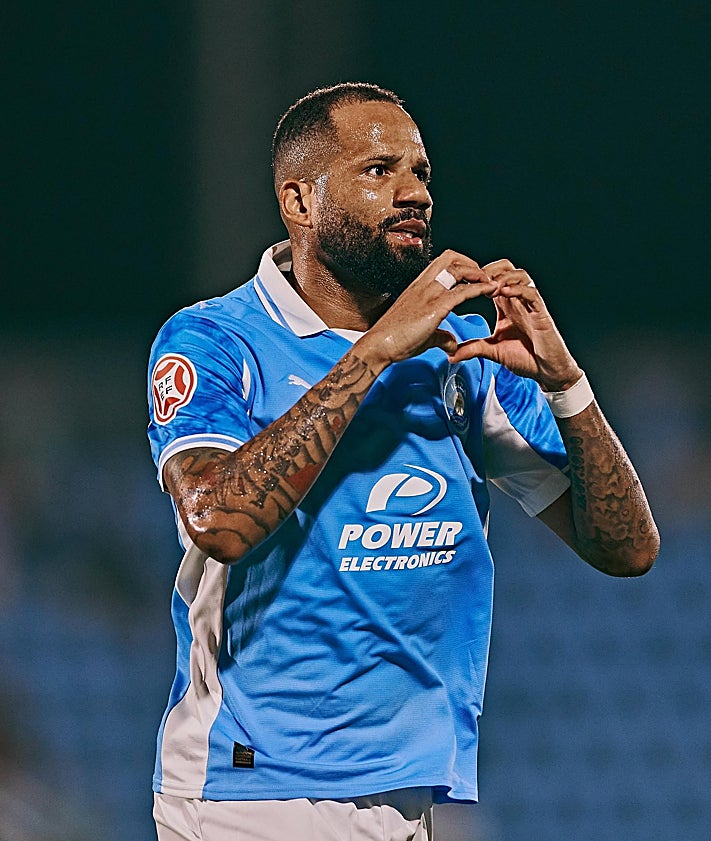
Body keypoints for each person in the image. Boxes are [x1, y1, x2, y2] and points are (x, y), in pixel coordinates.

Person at [147, 82, 659, 841]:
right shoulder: (216, 339)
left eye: (419, 172)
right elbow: (217, 519)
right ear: (300, 198)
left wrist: (565, 386)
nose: (413, 192)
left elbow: (626, 549)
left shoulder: (461, 353)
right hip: (252, 792)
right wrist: (375, 351)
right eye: (379, 170)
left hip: (409, 794)